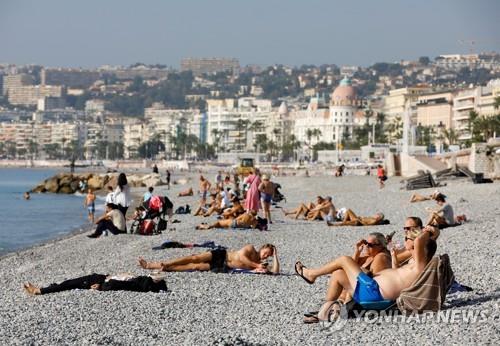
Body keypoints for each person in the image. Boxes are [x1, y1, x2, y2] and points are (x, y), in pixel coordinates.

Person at [295, 217, 439, 319]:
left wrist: (431, 230)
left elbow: (422, 241)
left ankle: (311, 274)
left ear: (416, 245)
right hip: (372, 292)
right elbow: (424, 247)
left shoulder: (420, 265)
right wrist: (394, 257)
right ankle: (326, 310)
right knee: (338, 274)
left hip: (375, 292)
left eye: (408, 238)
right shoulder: (413, 262)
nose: (405, 238)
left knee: (344, 260)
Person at [299, 233, 391, 315]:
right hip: (359, 292)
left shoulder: (381, 257)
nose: (366, 246)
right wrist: (357, 252)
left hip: (370, 295)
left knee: (344, 261)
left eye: (370, 245)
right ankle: (327, 308)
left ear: (381, 246)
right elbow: (351, 268)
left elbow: (375, 281)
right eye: (366, 243)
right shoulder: (370, 256)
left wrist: (361, 270)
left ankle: (312, 275)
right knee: (338, 272)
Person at [138, 244, 279, 274]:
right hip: (222, 255)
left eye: (269, 255)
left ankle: (167, 268)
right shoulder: (251, 249)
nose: (266, 255)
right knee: (195, 257)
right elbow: (242, 257)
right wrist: (255, 265)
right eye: (267, 252)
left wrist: (276, 255)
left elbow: (276, 272)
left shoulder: (261, 264)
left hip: (224, 267)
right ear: (263, 247)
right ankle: (151, 265)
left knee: (195, 267)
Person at [23, 273, 167, 295]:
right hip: (102, 277)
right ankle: (50, 287)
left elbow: (115, 285)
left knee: (70, 283)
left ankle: (39, 291)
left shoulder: (142, 284)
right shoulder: (141, 281)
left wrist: (100, 286)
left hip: (100, 280)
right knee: (69, 283)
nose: (155, 276)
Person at [196, 210, 266, 230]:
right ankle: (205, 226)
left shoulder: (246, 214)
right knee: (221, 225)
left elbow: (237, 218)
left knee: (219, 222)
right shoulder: (254, 220)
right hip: (240, 227)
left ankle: (207, 226)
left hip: (235, 223)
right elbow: (253, 227)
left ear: (250, 212)